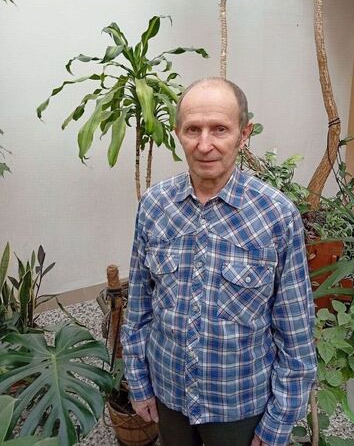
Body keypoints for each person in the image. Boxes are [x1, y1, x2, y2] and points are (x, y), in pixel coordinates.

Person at [121, 77, 317, 446]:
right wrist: (138, 380)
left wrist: (280, 421)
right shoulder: (154, 205)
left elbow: (295, 329)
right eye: (193, 129)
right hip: (168, 394)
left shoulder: (276, 216)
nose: (204, 144)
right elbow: (140, 307)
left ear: (244, 134)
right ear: (178, 133)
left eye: (220, 129)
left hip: (239, 406)